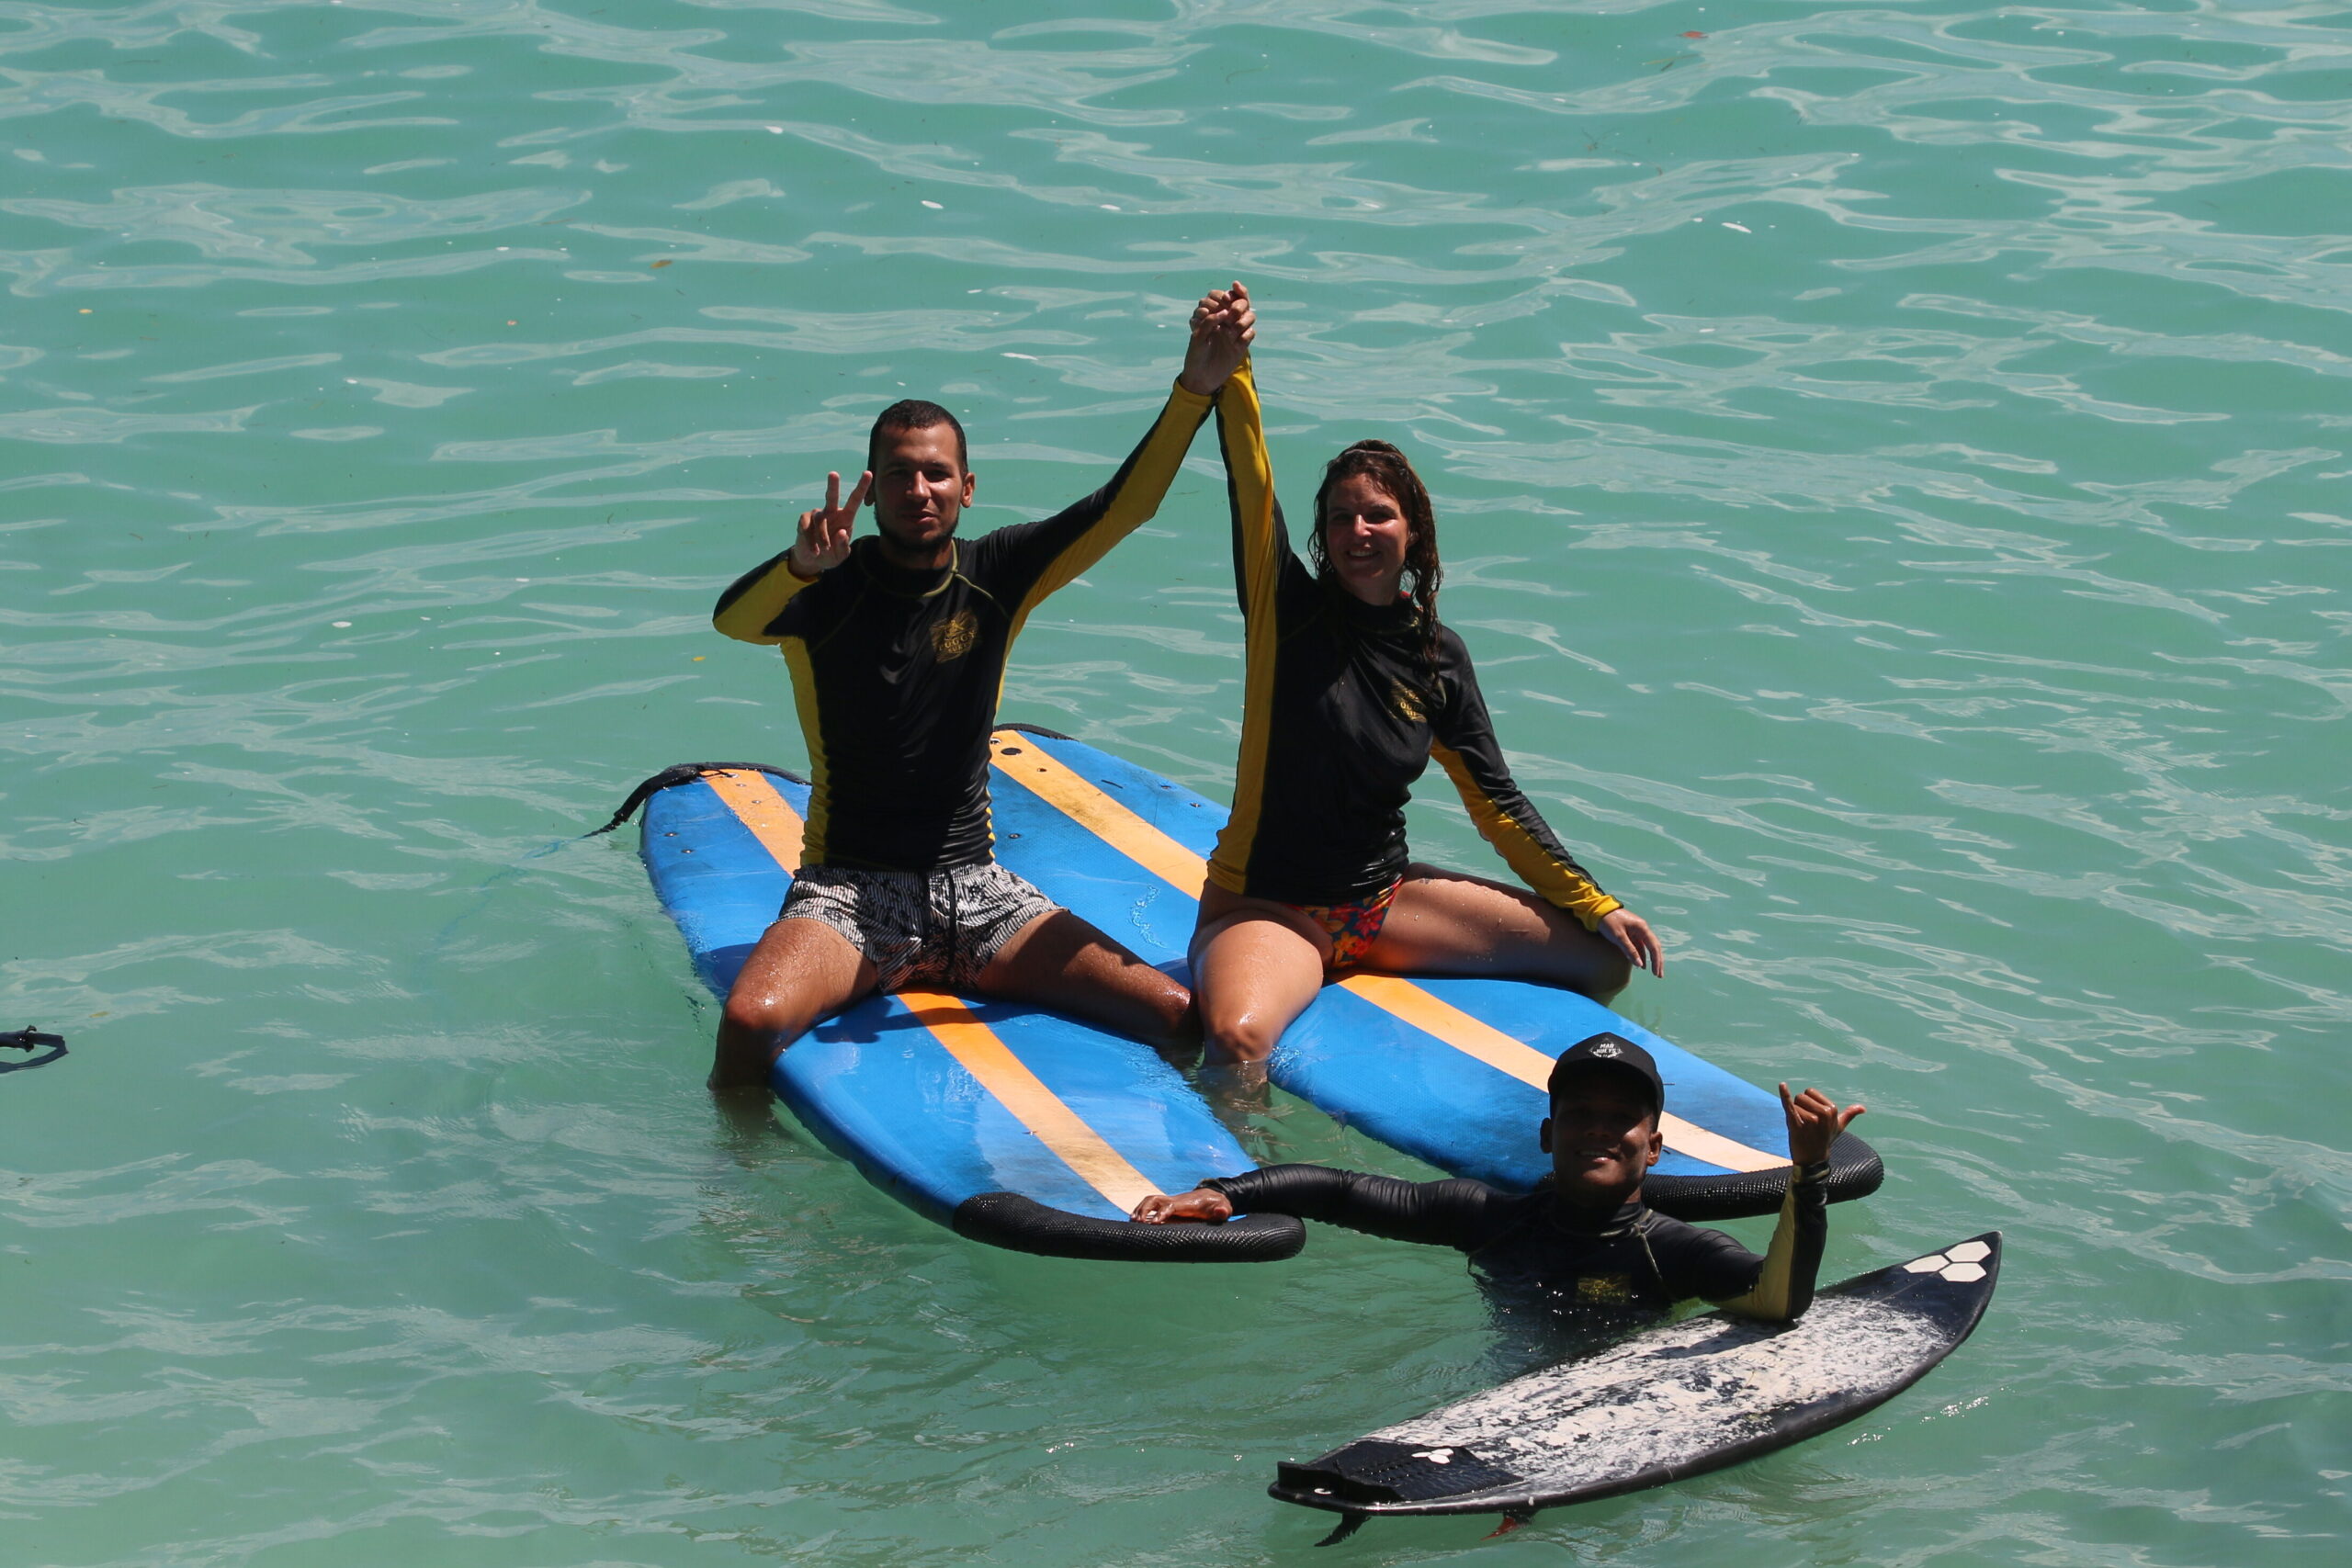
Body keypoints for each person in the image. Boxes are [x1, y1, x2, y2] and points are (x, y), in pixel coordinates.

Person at [705, 285, 1257, 1092]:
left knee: (1176, 1011)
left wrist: (1196, 391)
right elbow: (731, 623)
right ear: (871, 490)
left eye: (936, 474)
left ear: (967, 488)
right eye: (899, 475)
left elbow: (1122, 508)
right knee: (750, 1022)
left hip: (980, 889)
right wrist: (797, 567)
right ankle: (739, 1180)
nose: (918, 489)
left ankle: (1212, 1164)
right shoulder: (825, 586)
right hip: (851, 892)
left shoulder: (998, 571)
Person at [1190, 285, 1666, 1065]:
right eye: (1340, 517)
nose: (1357, 532)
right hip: (1271, 907)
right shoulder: (1288, 614)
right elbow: (1254, 489)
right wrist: (1234, 375)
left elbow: (1495, 800)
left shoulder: (1436, 655)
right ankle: (1238, 1171)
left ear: (1413, 532)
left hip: (1382, 906)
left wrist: (1596, 900)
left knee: (1600, 960)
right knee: (1238, 1039)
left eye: (1377, 514)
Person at [1132, 1032, 1865, 1324]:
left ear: (1655, 1148)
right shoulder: (1490, 1216)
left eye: (1622, 1118)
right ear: (1549, 1135)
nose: (1599, 1129)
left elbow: (1779, 1299)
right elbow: (1340, 1190)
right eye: (1580, 1113)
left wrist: (1808, 1173)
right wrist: (1229, 1191)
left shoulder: (1674, 1251)